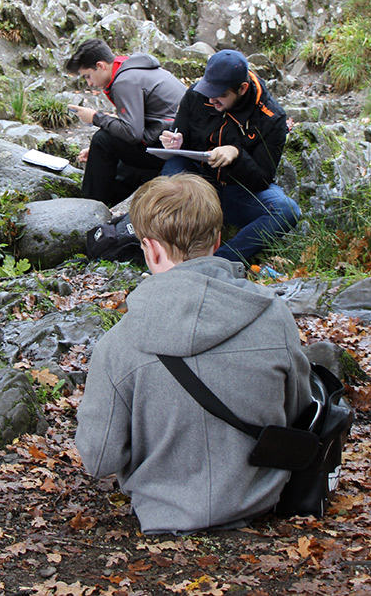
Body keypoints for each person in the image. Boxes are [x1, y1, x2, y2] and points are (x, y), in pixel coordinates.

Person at [75, 173, 313, 534]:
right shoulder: (273, 314)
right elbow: (298, 410)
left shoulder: (118, 344)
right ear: (217, 240)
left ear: (150, 248)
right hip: (262, 499)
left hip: (161, 512)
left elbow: (99, 457)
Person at [160, 49, 301, 265]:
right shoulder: (197, 94)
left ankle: (219, 262)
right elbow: (180, 136)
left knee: (286, 210)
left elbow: (263, 178)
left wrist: (236, 154)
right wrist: (176, 142)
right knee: (174, 167)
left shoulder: (271, 118)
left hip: (237, 192)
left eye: (221, 95)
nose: (212, 100)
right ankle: (164, 254)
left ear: (242, 89)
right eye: (209, 91)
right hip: (197, 186)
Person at [64, 38, 186, 206]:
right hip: (173, 142)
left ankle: (90, 207)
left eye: (88, 76)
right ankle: (106, 206)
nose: (89, 83)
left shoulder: (124, 81)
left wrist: (95, 118)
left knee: (102, 140)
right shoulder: (131, 69)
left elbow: (131, 133)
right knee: (114, 152)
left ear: (100, 66)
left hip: (171, 147)